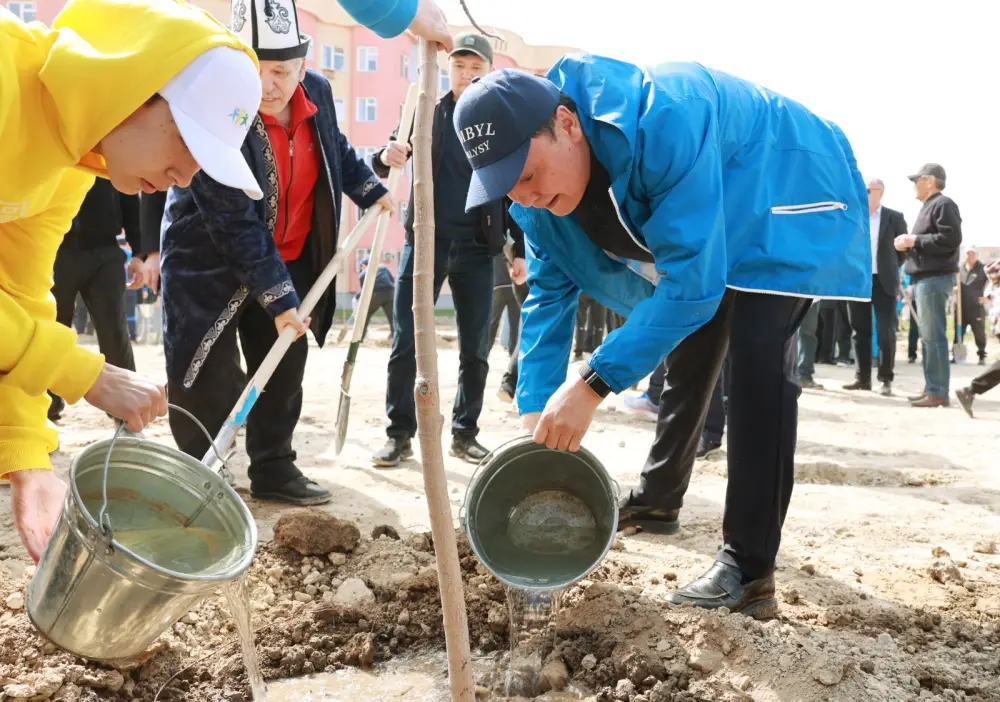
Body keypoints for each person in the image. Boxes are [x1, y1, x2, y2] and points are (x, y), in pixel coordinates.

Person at [454, 59, 869, 617]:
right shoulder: (534, 207)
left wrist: (593, 383)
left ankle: (748, 570)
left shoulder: (664, 120)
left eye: (526, 175)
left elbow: (693, 287)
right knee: (687, 338)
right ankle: (658, 498)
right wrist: (536, 418)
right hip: (709, 210)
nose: (522, 196)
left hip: (778, 180)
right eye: (506, 188)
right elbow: (549, 301)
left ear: (567, 124)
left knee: (756, 362)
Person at [0, 0, 272, 562]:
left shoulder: (70, 164)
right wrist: (81, 373)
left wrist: (25, 456)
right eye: (188, 146)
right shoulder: (6, 79)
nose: (185, 177)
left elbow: (19, 293)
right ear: (132, 88)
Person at [162, 0, 391, 505]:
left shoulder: (319, 95)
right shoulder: (215, 106)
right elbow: (232, 220)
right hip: (210, 261)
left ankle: (273, 468)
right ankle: (202, 474)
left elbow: (336, 149)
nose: (267, 85)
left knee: (283, 365)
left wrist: (371, 189)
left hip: (290, 259)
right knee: (206, 374)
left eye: (281, 71)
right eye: (255, 70)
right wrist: (278, 295)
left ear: (302, 66)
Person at [371, 33, 510, 467]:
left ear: (487, 72)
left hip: (477, 248)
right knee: (405, 344)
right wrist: (387, 154)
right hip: (426, 243)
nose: (466, 75)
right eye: (459, 66)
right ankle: (399, 434)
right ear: (447, 68)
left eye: (475, 69)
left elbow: (514, 189)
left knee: (476, 348)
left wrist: (517, 249)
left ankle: (465, 433)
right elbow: (385, 157)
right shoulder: (425, 106)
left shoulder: (500, 119)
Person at [47, 180, 143, 421]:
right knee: (52, 328)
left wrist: (141, 251)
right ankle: (46, 404)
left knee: (114, 330)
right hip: (56, 248)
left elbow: (129, 196)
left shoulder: (110, 148)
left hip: (106, 250)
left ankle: (125, 406)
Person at [895, 163, 962, 408]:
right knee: (928, 338)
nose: (914, 184)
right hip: (925, 279)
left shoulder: (943, 205)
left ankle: (938, 392)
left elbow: (951, 238)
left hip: (934, 279)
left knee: (933, 337)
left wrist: (914, 240)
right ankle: (931, 388)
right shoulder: (930, 206)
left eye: (917, 180)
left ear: (930, 181)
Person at [843, 179, 908, 396]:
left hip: (884, 281)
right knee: (859, 331)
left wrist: (889, 268)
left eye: (868, 190)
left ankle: (886, 379)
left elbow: (902, 251)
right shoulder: (853, 215)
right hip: (858, 280)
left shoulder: (894, 217)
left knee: (885, 331)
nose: (864, 192)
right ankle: (862, 379)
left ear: (879, 193)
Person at [955, 247, 988, 365]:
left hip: (976, 307)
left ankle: (981, 356)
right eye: (968, 254)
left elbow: (993, 282)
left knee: (979, 333)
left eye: (973, 253)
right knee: (958, 332)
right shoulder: (959, 269)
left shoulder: (983, 269)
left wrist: (988, 298)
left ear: (977, 255)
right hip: (961, 307)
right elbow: (954, 283)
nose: (970, 256)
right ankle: (957, 356)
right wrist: (954, 289)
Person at [356, 257, 397, 339]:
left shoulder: (363, 274)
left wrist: (358, 298)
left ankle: (360, 337)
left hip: (376, 294)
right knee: (392, 316)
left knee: (365, 314)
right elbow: (392, 280)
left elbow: (364, 292)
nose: (361, 268)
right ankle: (395, 336)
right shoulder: (383, 267)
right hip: (390, 293)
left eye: (361, 266)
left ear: (364, 265)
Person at [796, 301, 824, 389]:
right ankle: (802, 375)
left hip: (810, 292)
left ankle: (803, 375)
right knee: (806, 333)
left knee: (807, 332)